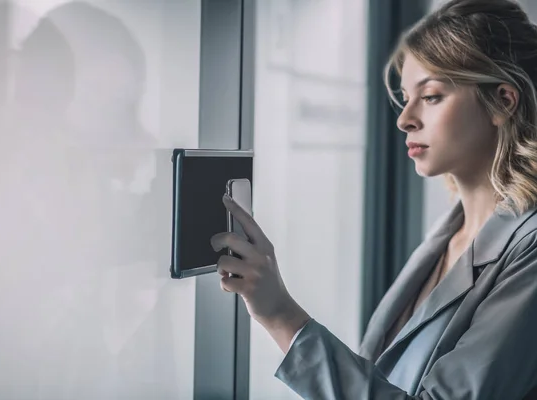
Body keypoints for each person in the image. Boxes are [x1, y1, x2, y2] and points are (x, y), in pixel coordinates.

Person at [211, 0, 537, 398]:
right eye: (406, 97)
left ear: (503, 101)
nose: (405, 119)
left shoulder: (530, 249)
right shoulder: (448, 237)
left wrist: (281, 315)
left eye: (431, 96)